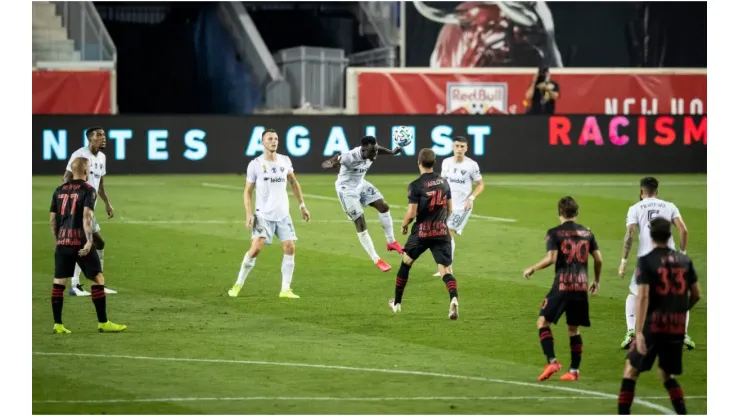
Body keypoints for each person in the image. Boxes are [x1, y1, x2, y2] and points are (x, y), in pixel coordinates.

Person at [617, 217, 701, 415]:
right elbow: (697, 294)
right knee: (665, 374)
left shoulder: (647, 261)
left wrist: (638, 331)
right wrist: (680, 312)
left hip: (654, 326)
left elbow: (643, 296)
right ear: (670, 235)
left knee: (630, 371)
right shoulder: (684, 261)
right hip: (676, 327)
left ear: (651, 236)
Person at [523, 196, 602, 381]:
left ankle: (552, 361)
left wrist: (533, 268)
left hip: (563, 285)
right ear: (577, 213)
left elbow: (551, 258)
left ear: (559, 213)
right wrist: (596, 282)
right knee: (573, 329)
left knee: (543, 322)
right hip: (581, 286)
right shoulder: (587, 233)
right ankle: (574, 371)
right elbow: (599, 259)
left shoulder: (554, 233)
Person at [228, 129, 311, 298]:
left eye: (276, 139)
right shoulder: (255, 164)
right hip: (263, 215)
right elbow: (247, 191)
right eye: (270, 139)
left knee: (289, 247)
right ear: (262, 142)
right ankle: (238, 284)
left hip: (283, 214)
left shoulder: (285, 161)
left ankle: (285, 289)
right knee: (256, 248)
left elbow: (294, 183)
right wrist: (248, 214)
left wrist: (302, 205)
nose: (274, 141)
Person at [49, 157, 127, 334]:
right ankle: (103, 322)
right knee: (98, 278)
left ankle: (58, 324)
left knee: (59, 282)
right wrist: (90, 240)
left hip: (63, 241)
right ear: (86, 171)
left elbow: (53, 219)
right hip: (80, 241)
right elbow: (87, 217)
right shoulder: (88, 190)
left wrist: (58, 239)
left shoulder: (59, 190)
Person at [618, 177, 693, 350]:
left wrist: (623, 261)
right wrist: (682, 253)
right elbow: (683, 230)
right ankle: (682, 334)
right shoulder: (669, 206)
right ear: (657, 192)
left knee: (634, 294)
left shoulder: (635, 208)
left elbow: (629, 235)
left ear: (641, 192)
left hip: (647, 261)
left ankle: (631, 332)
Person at [389, 148, 459, 320]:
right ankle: (453, 298)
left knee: (406, 263)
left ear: (418, 163)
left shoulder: (415, 185)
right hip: (441, 231)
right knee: (445, 269)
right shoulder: (444, 182)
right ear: (434, 163)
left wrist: (405, 224)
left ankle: (397, 302)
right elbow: (450, 209)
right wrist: (441, 222)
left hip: (422, 232)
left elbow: (411, 213)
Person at [322, 136, 405, 272]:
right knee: (360, 220)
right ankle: (376, 259)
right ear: (363, 149)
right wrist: (331, 164)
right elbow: (325, 164)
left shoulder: (373, 150)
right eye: (372, 152)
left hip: (360, 184)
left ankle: (391, 242)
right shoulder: (349, 157)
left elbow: (379, 150)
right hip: (346, 189)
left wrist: (391, 152)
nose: (374, 155)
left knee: (383, 206)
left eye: (375, 151)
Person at [64, 127, 117, 296]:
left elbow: (99, 183)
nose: (103, 138)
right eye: (99, 135)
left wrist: (107, 203)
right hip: (79, 207)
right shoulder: (80, 155)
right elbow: (66, 178)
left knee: (98, 243)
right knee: (85, 244)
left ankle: (97, 283)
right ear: (89, 138)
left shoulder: (102, 157)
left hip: (90, 208)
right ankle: (74, 285)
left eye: (104, 135)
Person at [433, 136, 484, 277]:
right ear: (452, 147)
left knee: (449, 233)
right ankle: (446, 266)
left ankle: (447, 267)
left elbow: (481, 184)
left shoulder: (472, 165)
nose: (459, 149)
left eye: (462, 146)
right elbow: (442, 181)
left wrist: (472, 198)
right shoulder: (446, 162)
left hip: (463, 207)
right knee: (442, 235)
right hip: (447, 205)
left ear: (466, 148)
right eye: (457, 146)